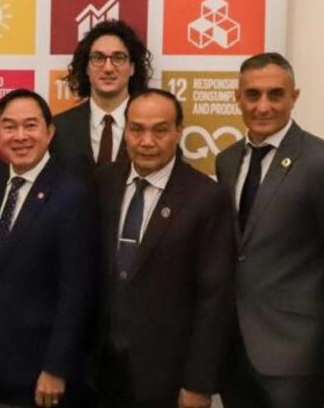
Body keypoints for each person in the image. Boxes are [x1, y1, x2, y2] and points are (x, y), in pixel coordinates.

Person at [215, 53, 324, 408]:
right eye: (252, 95)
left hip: (300, 359)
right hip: (235, 354)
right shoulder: (227, 160)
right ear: (237, 98)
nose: (263, 106)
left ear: (294, 97)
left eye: (275, 94)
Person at [92, 89, 235, 407]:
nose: (146, 141)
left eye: (160, 130)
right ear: (125, 131)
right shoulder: (102, 182)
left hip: (166, 376)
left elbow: (215, 300)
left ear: (178, 132)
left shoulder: (205, 197)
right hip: (100, 371)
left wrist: (199, 383)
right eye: (136, 129)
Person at [0, 88, 96, 407]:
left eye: (30, 125)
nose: (20, 136)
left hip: (41, 370)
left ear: (50, 132)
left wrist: (56, 367)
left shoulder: (72, 195)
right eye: (9, 126)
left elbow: (77, 291)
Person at [50, 20, 152, 173]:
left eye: (118, 58)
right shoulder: (59, 127)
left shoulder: (155, 126)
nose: (108, 68)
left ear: (132, 67)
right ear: (86, 67)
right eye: (98, 58)